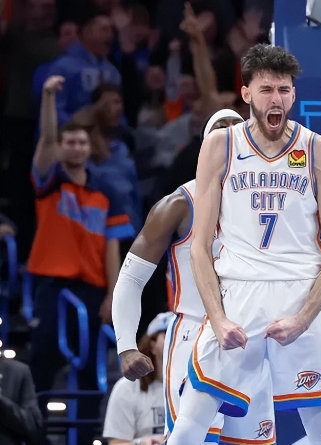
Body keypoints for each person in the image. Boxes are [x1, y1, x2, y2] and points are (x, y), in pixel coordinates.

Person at [169, 43, 321, 445]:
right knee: (188, 429)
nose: (276, 99)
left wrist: (303, 319)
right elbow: (200, 247)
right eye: (266, 89)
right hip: (239, 296)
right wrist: (217, 319)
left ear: (294, 95)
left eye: (284, 90)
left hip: (300, 296)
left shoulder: (318, 149)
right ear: (246, 93)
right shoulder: (220, 145)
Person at [111, 109, 244, 445]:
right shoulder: (179, 204)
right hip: (194, 335)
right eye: (221, 129)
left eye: (237, 129)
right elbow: (131, 279)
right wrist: (127, 346)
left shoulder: (271, 205)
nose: (230, 136)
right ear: (204, 145)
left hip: (250, 339)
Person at [29, 75, 135, 445]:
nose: (75, 148)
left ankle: (87, 436)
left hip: (91, 289)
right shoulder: (49, 183)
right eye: (69, 142)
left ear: (90, 147)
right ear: (61, 148)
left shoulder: (106, 192)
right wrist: (48, 98)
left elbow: (112, 249)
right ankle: (34, 432)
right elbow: (45, 141)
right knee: (43, 359)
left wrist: (112, 296)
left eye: (81, 142)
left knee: (91, 368)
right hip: (51, 286)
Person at [103, 313, 175, 445]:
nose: (176, 341)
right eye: (169, 335)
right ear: (152, 344)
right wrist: (140, 443)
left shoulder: (194, 385)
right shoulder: (127, 388)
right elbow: (116, 443)